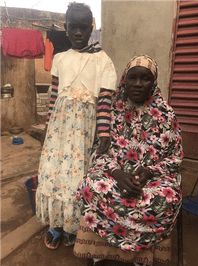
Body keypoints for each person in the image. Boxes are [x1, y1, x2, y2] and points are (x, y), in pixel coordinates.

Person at [74, 55, 183, 265]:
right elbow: (100, 149)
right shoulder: (112, 112)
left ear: (154, 82)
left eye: (145, 79)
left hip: (152, 179)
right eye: (133, 78)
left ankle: (136, 255)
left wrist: (150, 171)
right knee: (91, 186)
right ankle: (104, 253)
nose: (138, 84)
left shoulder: (166, 114)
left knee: (166, 199)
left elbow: (175, 157)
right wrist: (117, 173)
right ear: (125, 79)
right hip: (114, 175)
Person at [36, 2, 117, 250]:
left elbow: (104, 101)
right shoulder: (60, 59)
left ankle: (73, 225)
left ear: (92, 27)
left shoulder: (102, 60)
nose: (79, 33)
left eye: (84, 27)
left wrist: (104, 132)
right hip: (59, 130)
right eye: (74, 28)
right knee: (54, 173)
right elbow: (54, 98)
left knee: (77, 177)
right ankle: (55, 224)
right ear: (66, 28)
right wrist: (48, 127)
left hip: (84, 130)